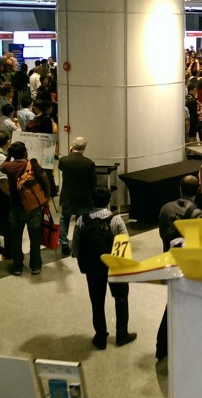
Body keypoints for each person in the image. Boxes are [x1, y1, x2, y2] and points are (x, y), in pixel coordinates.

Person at [73, 186, 136, 350]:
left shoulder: (82, 220)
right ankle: (122, 334)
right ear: (109, 201)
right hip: (114, 266)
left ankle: (100, 337)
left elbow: (76, 249)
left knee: (97, 302)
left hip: (93, 268)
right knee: (121, 298)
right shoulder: (116, 220)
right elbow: (124, 244)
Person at [156, 176, 202, 360]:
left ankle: (162, 346)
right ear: (197, 190)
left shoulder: (165, 208)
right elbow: (196, 243)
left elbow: (162, 234)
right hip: (187, 266)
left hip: (168, 261)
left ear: (180, 188)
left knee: (173, 302)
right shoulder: (196, 213)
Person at [1, 141, 51, 276]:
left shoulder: (8, 166)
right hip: (33, 207)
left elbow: (0, 167)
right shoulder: (33, 165)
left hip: (15, 207)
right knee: (35, 238)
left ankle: (17, 266)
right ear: (25, 152)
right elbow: (45, 182)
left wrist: (8, 156)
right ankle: (35, 265)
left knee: (16, 238)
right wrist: (46, 200)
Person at [58, 137, 98, 255]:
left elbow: (61, 168)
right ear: (84, 148)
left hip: (67, 196)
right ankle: (79, 242)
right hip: (84, 197)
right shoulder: (89, 163)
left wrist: (70, 153)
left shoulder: (64, 161)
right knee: (82, 221)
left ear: (72, 147)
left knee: (64, 219)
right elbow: (93, 182)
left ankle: (64, 242)